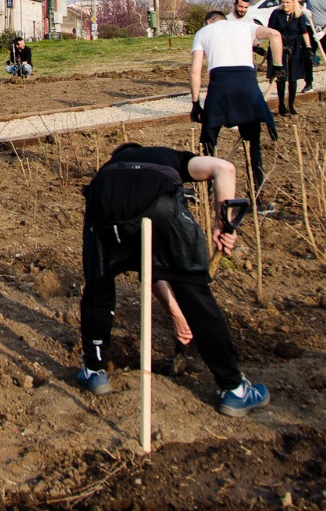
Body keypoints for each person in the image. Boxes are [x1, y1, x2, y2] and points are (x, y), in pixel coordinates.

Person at [74, 142, 270, 417]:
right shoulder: (172, 158)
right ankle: (234, 390)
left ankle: (94, 371)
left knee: (99, 286)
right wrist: (222, 223)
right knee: (194, 292)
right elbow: (224, 168)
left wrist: (176, 316)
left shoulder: (110, 168)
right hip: (161, 204)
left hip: (104, 201)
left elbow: (150, 267)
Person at [191, 1, 282, 213]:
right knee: (254, 145)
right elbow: (275, 35)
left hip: (220, 87)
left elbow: (196, 71)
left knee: (209, 142)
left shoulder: (203, 32)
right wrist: (277, 66)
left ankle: (206, 193)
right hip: (246, 86)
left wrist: (196, 103)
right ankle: (258, 199)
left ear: (209, 22)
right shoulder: (246, 26)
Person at [266, 0, 315, 115]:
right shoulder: (276, 14)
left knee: (293, 77)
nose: (285, 5)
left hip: (295, 47)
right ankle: (281, 105)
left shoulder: (298, 15)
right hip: (279, 45)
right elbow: (270, 30)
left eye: (288, 2)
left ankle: (291, 105)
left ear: (293, 3)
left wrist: (308, 47)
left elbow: (304, 32)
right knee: (281, 76)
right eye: (283, 2)